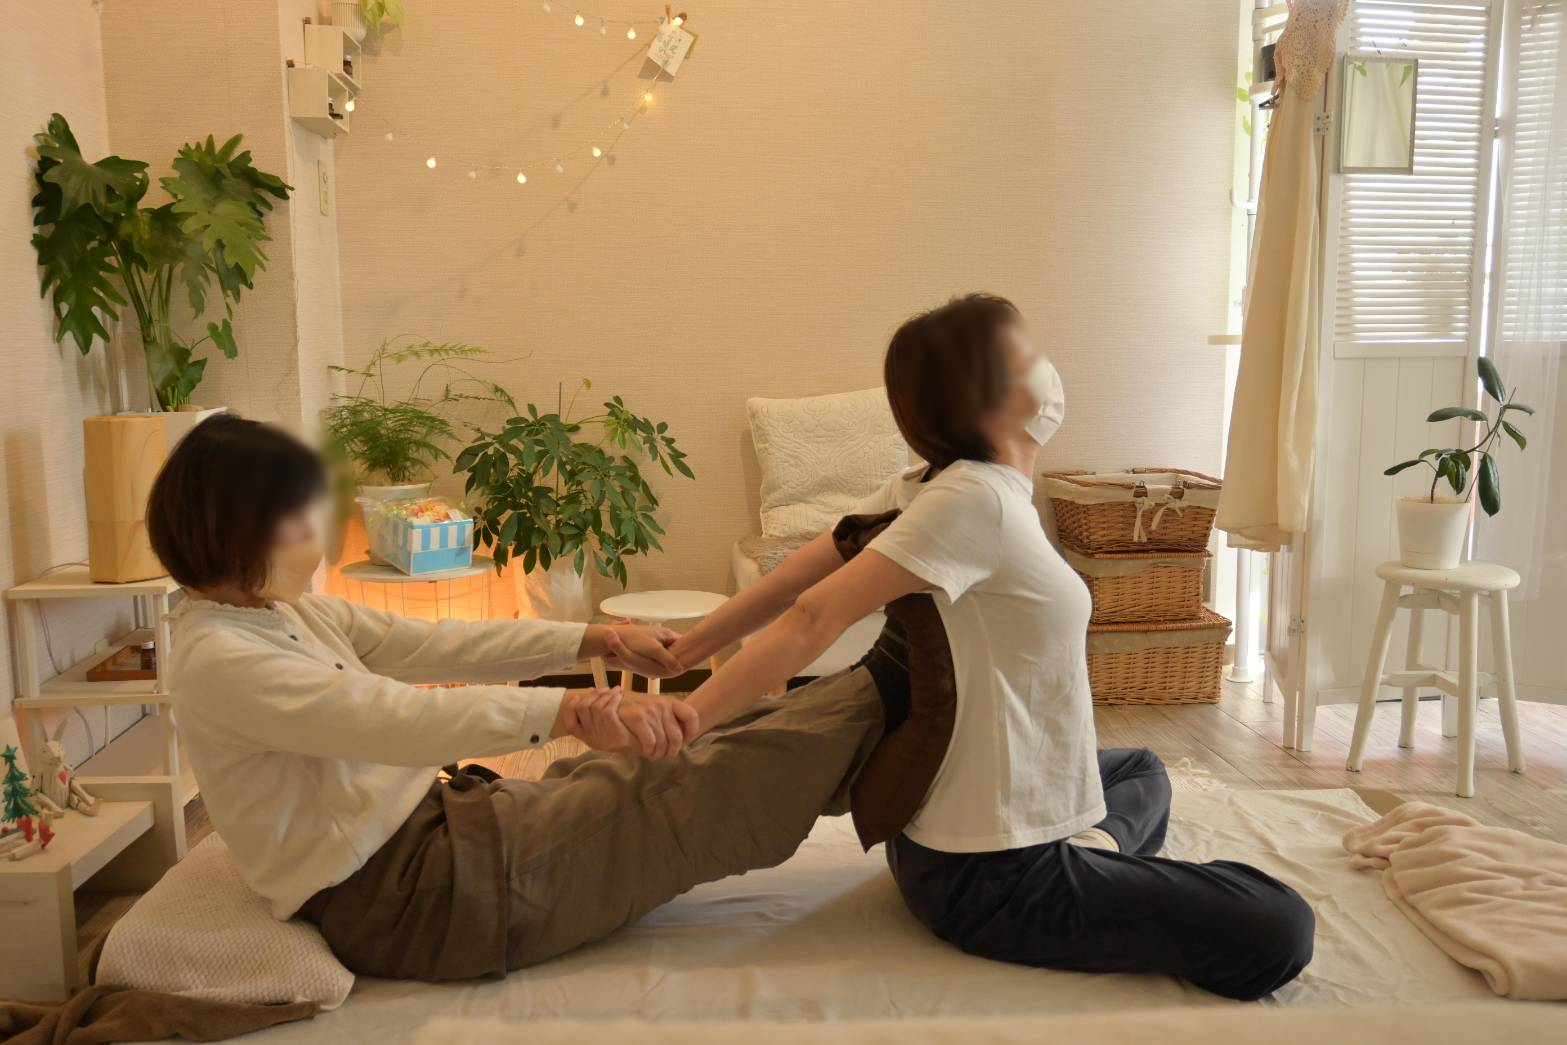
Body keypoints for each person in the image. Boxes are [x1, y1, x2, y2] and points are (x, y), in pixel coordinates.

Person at [668, 293, 1315, 1000]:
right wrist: (685, 718)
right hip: (991, 876)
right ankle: (1090, 873)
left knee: (1142, 771)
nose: (1047, 367)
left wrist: (683, 650)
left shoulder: (932, 486)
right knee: (1280, 925)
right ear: (987, 396)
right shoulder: (973, 500)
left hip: (953, 846)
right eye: (1027, 354)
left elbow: (800, 569)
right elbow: (810, 612)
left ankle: (1093, 856)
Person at [146, 414, 887, 981]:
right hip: (417, 900)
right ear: (230, 528)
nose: (313, 535)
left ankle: (871, 718)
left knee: (641, 766)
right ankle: (884, 706)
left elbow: (436, 645)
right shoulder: (220, 660)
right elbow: (392, 720)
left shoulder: (279, 612)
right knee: (675, 787)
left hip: (445, 835)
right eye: (295, 518)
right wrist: (568, 712)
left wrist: (595, 640)